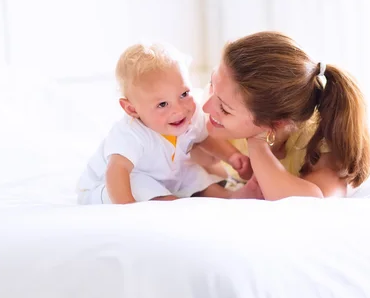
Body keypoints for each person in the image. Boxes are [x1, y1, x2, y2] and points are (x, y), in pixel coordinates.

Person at [202, 31, 370, 200]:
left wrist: (258, 146)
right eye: (212, 83)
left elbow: (313, 203)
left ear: (275, 124)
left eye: (224, 109)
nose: (205, 106)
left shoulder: (320, 141)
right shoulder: (216, 108)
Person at [76, 43, 252, 204]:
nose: (179, 110)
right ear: (132, 109)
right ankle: (170, 202)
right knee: (138, 184)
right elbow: (116, 171)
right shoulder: (130, 133)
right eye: (162, 104)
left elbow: (203, 137)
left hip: (167, 176)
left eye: (184, 94)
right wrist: (127, 210)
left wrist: (231, 155)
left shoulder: (191, 114)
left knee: (192, 172)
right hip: (108, 186)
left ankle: (228, 197)